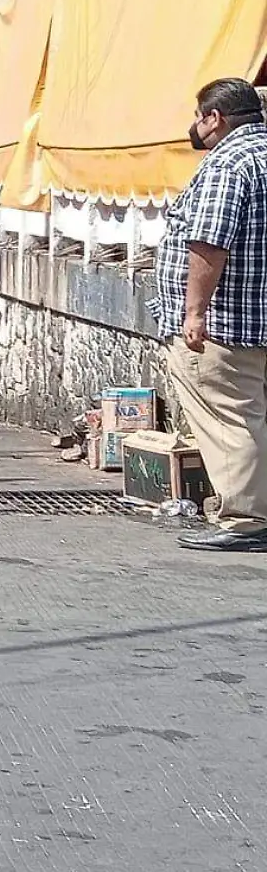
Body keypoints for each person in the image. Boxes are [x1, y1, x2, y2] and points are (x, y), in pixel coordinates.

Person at [152, 78, 267, 551]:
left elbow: (208, 243)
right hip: (258, 317)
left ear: (214, 118)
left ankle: (246, 519)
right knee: (254, 417)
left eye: (200, 117)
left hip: (227, 322)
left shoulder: (228, 163)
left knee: (230, 419)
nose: (195, 126)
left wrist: (193, 312)